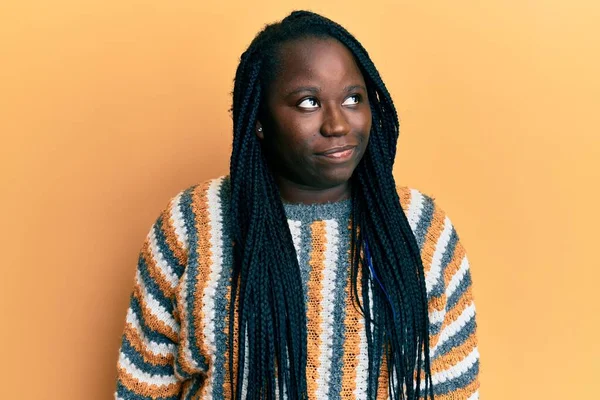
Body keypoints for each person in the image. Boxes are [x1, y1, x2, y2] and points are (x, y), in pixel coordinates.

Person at [114, 10, 480, 400]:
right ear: (259, 120)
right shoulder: (191, 223)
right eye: (308, 103)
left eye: (353, 98)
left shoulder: (421, 228)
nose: (337, 124)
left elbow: (454, 388)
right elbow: (143, 386)